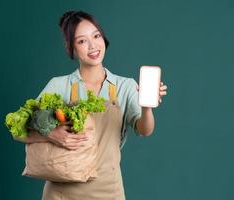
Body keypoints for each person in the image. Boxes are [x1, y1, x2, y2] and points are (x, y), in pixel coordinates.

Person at [14, 10, 167, 200]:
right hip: (62, 193)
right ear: (71, 48)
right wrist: (52, 135)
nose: (92, 45)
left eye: (96, 36)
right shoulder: (60, 85)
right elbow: (18, 131)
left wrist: (146, 106)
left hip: (109, 190)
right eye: (81, 41)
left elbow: (145, 130)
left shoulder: (125, 86)